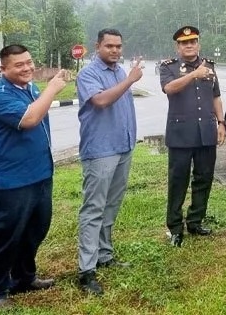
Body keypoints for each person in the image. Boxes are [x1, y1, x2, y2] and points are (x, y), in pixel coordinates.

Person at [0, 45, 71, 309]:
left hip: (39, 174)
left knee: (34, 231)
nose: (27, 68)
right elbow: (29, 120)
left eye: (29, 62)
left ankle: (23, 278)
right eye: (19, 65)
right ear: (3, 69)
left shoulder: (29, 88)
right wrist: (53, 88)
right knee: (3, 236)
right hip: (8, 180)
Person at [75, 29, 141, 296]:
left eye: (118, 46)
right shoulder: (88, 74)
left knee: (111, 205)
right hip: (101, 150)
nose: (115, 50)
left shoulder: (119, 72)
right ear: (98, 46)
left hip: (123, 147)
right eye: (109, 46)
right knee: (93, 208)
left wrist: (127, 78)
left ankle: (105, 254)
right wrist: (131, 81)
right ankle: (86, 270)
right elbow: (101, 101)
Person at [159, 26, 226, 247]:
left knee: (204, 179)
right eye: (184, 43)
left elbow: (216, 97)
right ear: (177, 46)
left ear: (198, 44)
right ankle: (175, 228)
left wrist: (221, 122)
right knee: (178, 182)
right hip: (180, 135)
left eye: (193, 41)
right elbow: (169, 88)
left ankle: (195, 221)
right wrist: (194, 75)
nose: (189, 45)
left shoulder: (210, 66)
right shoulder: (169, 67)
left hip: (206, 132)